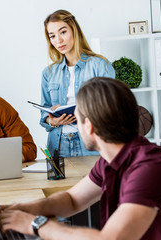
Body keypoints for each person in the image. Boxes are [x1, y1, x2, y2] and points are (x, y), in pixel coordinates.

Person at [0, 77, 161, 239]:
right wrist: (28, 208)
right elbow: (72, 199)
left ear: (89, 127)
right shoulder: (110, 160)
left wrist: (36, 225)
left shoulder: (150, 168)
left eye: (77, 119)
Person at [40, 10, 115, 158]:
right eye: (52, 36)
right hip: (58, 143)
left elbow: (111, 108)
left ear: (74, 30)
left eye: (63, 32)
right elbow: (44, 113)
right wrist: (52, 120)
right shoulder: (48, 73)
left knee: (96, 181)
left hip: (91, 142)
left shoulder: (100, 65)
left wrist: (82, 111)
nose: (58, 40)